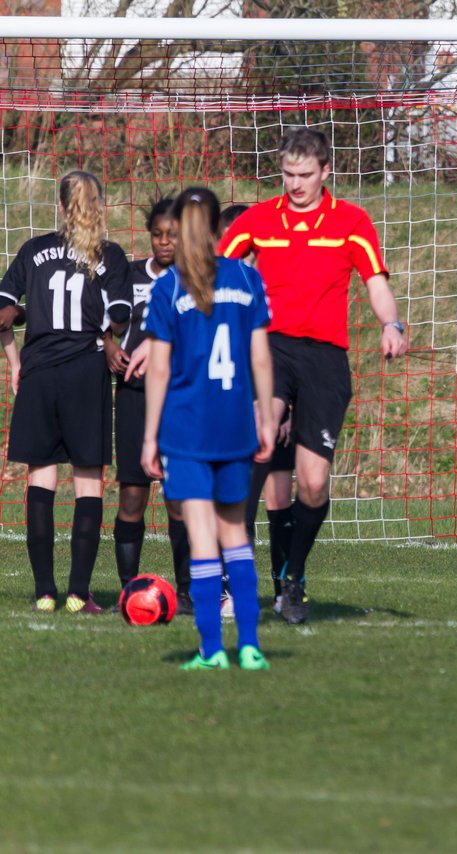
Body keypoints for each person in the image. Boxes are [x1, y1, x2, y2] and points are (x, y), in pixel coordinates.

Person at [218, 127, 407, 624]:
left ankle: (293, 577)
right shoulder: (259, 220)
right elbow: (213, 274)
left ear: (326, 172)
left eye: (305, 175)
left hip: (325, 359)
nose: (295, 184)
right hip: (271, 348)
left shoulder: (351, 222)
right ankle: (229, 579)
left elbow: (376, 283)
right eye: (288, 174)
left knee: (314, 484)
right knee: (257, 445)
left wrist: (391, 323)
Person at [140, 185, 275, 670]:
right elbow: (261, 355)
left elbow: (158, 369)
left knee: (201, 539)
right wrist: (266, 414)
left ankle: (212, 650)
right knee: (235, 534)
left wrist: (151, 436)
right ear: (221, 229)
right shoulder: (247, 277)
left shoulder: (169, 287)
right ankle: (252, 645)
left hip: (188, 429)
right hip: (235, 423)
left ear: (180, 230)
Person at [0, 170, 132, 613]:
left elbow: (2, 312)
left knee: (41, 477)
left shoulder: (34, 249)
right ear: (101, 205)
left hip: (38, 374)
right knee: (88, 481)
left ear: (60, 206)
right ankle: (78, 593)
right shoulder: (109, 254)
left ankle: (43, 593)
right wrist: (109, 336)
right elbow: (118, 318)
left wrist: (15, 363)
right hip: (84, 372)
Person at [105, 197, 193, 614]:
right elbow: (110, 321)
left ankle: (188, 590)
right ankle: (129, 588)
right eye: (157, 234)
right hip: (134, 397)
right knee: (133, 495)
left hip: (179, 399)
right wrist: (107, 344)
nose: (163, 242)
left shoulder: (195, 280)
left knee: (178, 496)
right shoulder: (132, 274)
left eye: (171, 235)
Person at [221, 199, 295, 614]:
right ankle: (236, 591)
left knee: (279, 502)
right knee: (240, 504)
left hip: (275, 409)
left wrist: (288, 408)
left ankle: (285, 588)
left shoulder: (272, 291)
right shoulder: (222, 291)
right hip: (237, 412)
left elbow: (292, 355)